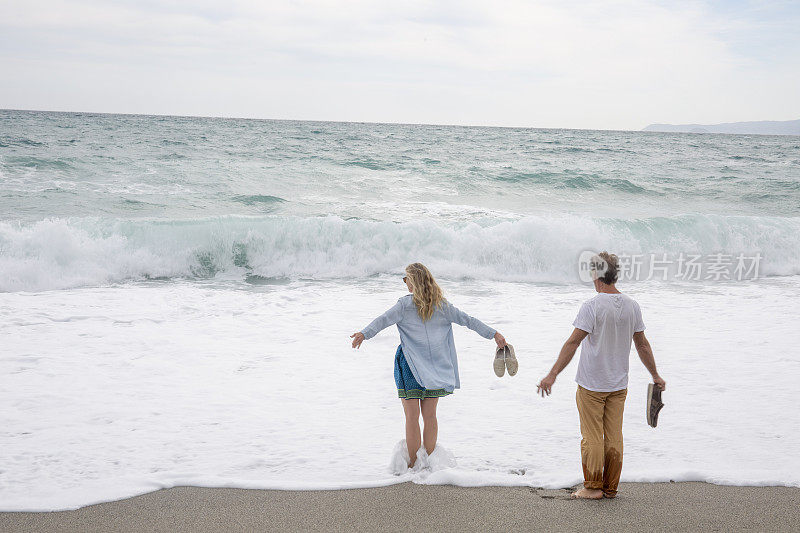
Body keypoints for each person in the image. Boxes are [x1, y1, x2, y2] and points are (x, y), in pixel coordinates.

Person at [351, 262, 507, 468]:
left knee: (412, 417)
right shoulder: (442, 306)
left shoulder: (404, 305)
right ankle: (431, 464)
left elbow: (383, 320)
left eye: (406, 279)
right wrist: (494, 334)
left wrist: (364, 334)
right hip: (435, 370)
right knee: (430, 416)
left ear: (412, 282)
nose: (405, 282)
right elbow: (468, 320)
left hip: (409, 366)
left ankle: (414, 466)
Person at [537, 251, 666, 499]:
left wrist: (552, 374)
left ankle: (593, 487)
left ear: (597, 275)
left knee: (592, 436)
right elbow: (643, 345)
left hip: (592, 384)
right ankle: (610, 487)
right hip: (619, 384)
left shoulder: (592, 307)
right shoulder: (632, 306)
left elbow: (573, 343)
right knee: (614, 436)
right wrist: (655, 375)